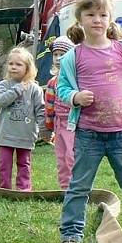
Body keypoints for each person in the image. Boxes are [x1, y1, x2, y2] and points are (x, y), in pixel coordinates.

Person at [56, 0, 122, 243]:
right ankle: (71, 233)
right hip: (88, 133)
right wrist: (75, 96)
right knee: (79, 186)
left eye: (103, 14)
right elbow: (61, 87)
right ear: (80, 19)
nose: (97, 20)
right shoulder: (73, 56)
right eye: (90, 14)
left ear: (110, 19)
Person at [0, 46, 43, 190]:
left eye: (18, 64)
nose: (13, 67)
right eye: (11, 64)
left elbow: (40, 110)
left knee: (24, 164)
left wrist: (44, 129)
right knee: (4, 164)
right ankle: (4, 188)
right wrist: (17, 89)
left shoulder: (35, 89)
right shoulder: (4, 85)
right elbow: (1, 101)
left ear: (27, 68)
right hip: (6, 134)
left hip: (26, 135)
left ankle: (24, 189)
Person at [44, 36, 77, 189]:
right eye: (55, 54)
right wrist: (49, 126)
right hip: (59, 125)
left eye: (62, 54)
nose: (58, 58)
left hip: (73, 123)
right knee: (61, 156)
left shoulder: (76, 79)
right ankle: (64, 187)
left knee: (72, 156)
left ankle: (76, 187)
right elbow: (49, 106)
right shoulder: (52, 82)